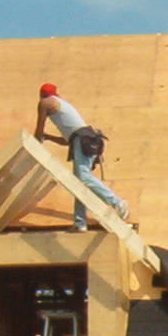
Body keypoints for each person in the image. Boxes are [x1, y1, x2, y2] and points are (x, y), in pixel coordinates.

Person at [34, 83, 128, 230]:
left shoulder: (45, 102)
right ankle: (80, 223)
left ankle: (117, 203)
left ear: (42, 95)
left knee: (83, 178)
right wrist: (47, 137)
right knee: (79, 183)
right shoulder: (62, 106)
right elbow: (67, 141)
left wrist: (37, 139)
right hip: (87, 139)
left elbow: (40, 127)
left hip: (83, 140)